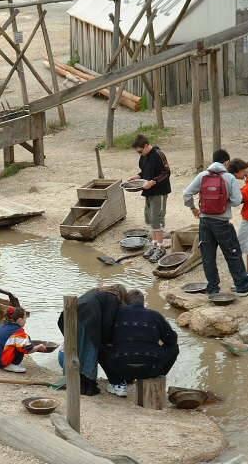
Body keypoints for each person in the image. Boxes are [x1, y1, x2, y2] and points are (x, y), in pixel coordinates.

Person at [182, 150, 248, 297]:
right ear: (226, 162)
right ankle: (242, 286)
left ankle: (213, 288)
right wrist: (225, 200)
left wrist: (193, 208)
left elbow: (186, 193)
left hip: (204, 221)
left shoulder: (202, 175)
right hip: (222, 222)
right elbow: (237, 201)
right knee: (232, 253)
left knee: (208, 256)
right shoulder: (229, 177)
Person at [99, 290, 179, 397]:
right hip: (150, 368)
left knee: (99, 346)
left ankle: (117, 383)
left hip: (120, 367)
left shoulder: (116, 314)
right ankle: (157, 375)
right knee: (174, 347)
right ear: (143, 302)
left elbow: (105, 338)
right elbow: (172, 340)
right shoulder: (155, 315)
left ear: (125, 302)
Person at [57, 284, 128, 396]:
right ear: (122, 295)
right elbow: (107, 324)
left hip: (69, 316)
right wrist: (107, 342)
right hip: (87, 320)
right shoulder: (113, 299)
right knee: (90, 353)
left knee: (77, 352)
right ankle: (88, 387)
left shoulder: (96, 292)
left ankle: (74, 381)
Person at [127, 134, 171, 263]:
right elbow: (144, 171)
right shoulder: (143, 157)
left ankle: (161, 247)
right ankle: (154, 245)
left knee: (157, 219)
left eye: (140, 151)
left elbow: (166, 173)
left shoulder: (158, 154)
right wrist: (136, 177)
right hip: (148, 192)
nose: (139, 153)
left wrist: (153, 182)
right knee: (150, 219)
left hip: (159, 191)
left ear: (146, 146)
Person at [0, 306, 46, 373]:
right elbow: (28, 350)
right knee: (22, 346)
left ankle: (1, 363)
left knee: (20, 341)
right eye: (25, 319)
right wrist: (39, 347)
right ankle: (9, 365)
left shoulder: (3, 326)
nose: (25, 321)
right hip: (1, 361)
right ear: (20, 320)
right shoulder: (18, 331)